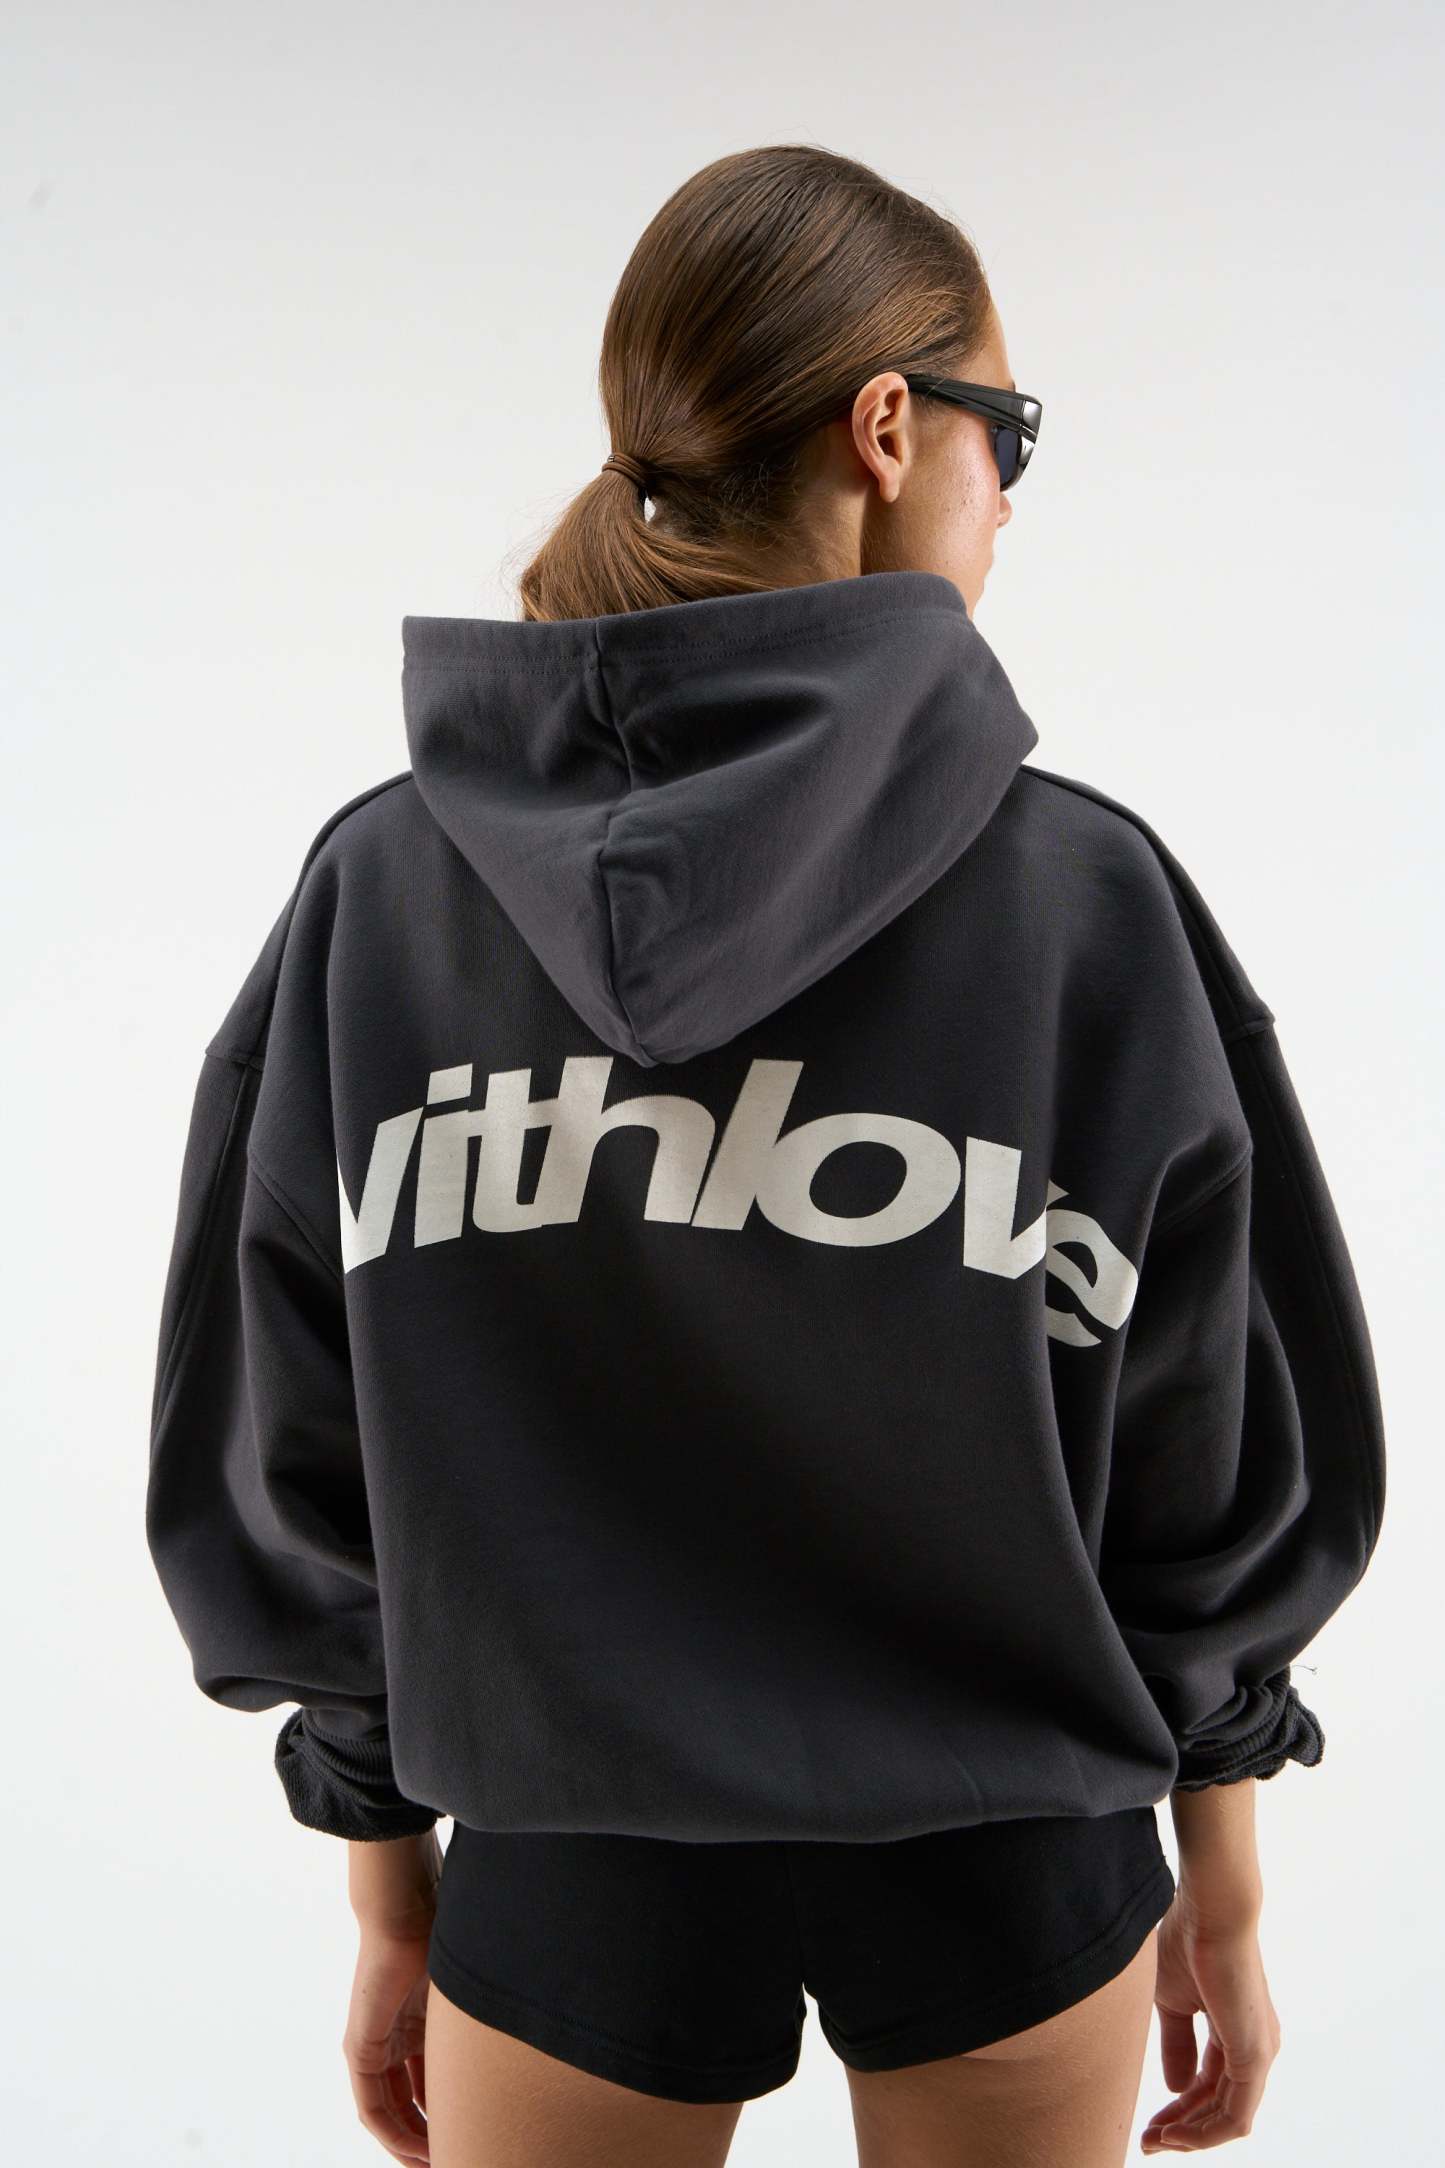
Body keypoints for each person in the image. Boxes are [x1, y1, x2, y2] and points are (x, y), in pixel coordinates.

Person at [144, 143, 1385, 2168]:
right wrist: (1224, 1881)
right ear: (889, 430)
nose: (1010, 497)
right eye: (1007, 436)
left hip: (564, 1851)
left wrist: (389, 1885)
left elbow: (289, 1425)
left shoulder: (383, 895)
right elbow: (1209, 1445)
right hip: (1013, 1849)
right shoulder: (1085, 901)